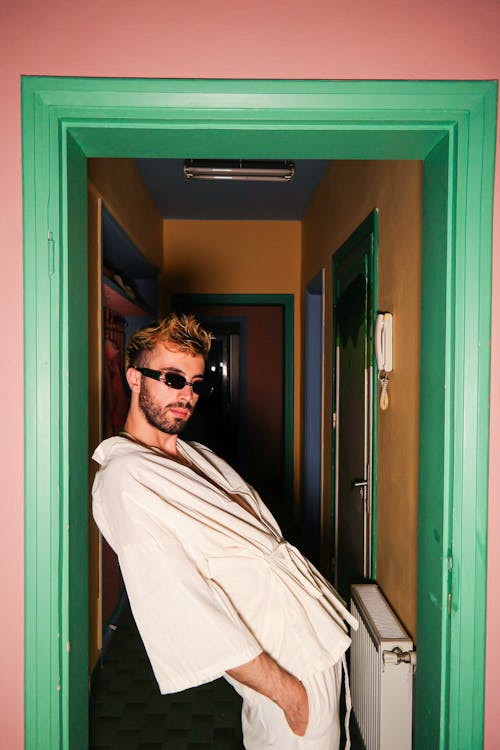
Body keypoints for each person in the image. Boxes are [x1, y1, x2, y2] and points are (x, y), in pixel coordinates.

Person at [92, 313, 357, 749]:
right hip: (284, 676)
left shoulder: (195, 454)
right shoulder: (126, 480)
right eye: (173, 379)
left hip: (309, 648)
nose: (187, 396)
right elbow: (180, 606)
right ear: (134, 378)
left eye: (196, 383)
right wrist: (289, 696)